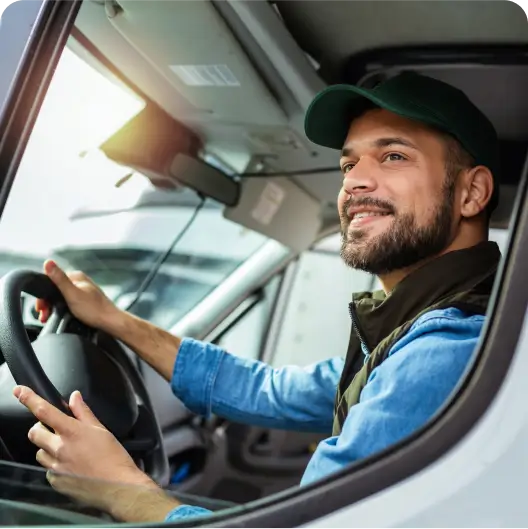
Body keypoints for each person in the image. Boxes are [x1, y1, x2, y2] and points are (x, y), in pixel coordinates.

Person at [14, 72, 502, 523]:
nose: (354, 180)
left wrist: (119, 488)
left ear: (471, 192)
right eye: (349, 162)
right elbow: (269, 390)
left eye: (393, 155)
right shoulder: (416, 332)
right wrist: (116, 320)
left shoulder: (444, 352)